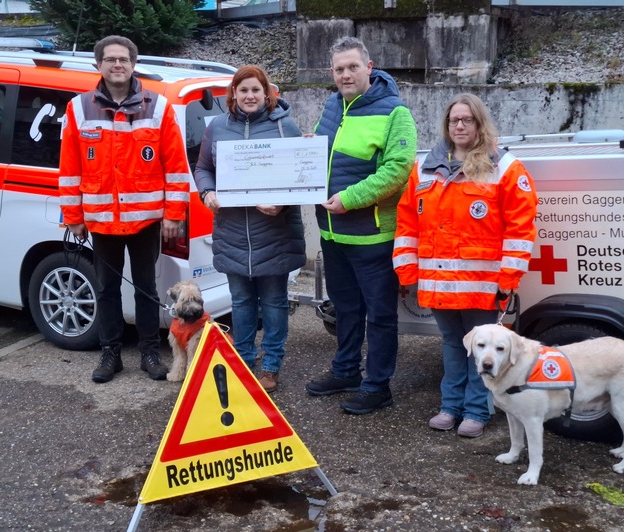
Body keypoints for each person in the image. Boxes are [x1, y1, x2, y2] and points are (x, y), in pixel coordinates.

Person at [393, 93, 538, 437]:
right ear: (446, 125)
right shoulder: (424, 167)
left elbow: (521, 225)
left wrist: (509, 276)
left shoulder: (503, 166)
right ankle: (449, 407)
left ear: (478, 123)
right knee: (451, 346)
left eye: (467, 120)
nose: (459, 126)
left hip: (482, 284)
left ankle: (476, 410)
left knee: (482, 353)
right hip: (437, 284)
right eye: (453, 120)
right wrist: (407, 272)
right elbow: (407, 222)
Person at [59, 35, 190, 383]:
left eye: (124, 59)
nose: (118, 64)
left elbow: (176, 166)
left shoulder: (158, 107)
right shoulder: (79, 108)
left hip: (146, 221)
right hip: (100, 222)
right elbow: (70, 169)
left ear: (134, 64)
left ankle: (150, 352)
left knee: (146, 287)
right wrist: (73, 217)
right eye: (110, 59)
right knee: (105, 289)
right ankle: (110, 353)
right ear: (98, 65)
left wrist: (174, 215)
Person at [304, 36, 418, 415]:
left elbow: (397, 171)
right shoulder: (332, 105)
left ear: (369, 67)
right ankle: (346, 371)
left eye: (352, 66)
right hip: (333, 234)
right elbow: (325, 154)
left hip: (373, 237)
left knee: (380, 315)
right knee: (346, 309)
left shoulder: (395, 112)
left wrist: (350, 199)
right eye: (338, 69)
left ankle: (378, 385)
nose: (345, 74)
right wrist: (307, 150)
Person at [194, 65, 306, 393]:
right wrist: (207, 192)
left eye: (256, 90)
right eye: (243, 90)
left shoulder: (286, 127)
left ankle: (271, 365)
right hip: (231, 230)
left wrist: (282, 204)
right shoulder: (217, 127)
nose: (250, 96)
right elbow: (203, 168)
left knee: (273, 301)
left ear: (267, 93)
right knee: (241, 300)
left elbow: (302, 175)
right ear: (233, 94)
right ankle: (242, 360)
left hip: (274, 231)